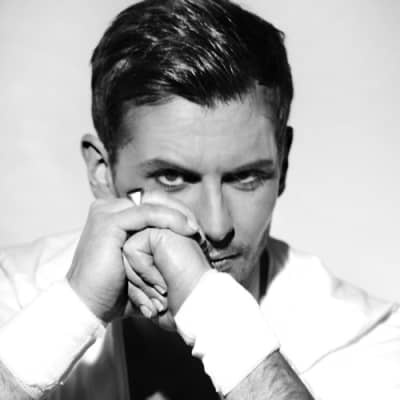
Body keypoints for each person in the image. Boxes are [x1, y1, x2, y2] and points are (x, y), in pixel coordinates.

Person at [0, 0, 399, 399]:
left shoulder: (362, 334)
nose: (216, 225)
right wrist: (73, 311)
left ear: (284, 163)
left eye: (246, 177)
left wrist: (214, 317)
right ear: (102, 172)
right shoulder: (13, 291)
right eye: (173, 178)